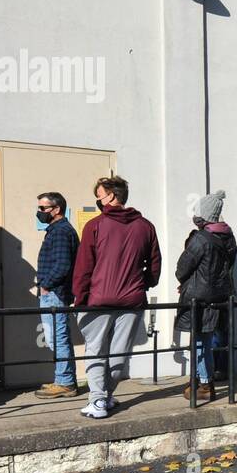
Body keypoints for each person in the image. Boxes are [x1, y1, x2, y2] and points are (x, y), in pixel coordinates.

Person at [72, 175, 161, 420]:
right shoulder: (146, 226)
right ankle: (106, 396)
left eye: (99, 195)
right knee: (120, 353)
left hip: (98, 300)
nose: (98, 200)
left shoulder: (94, 225)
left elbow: (84, 267)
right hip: (132, 300)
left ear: (111, 196)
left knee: (95, 351)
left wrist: (80, 297)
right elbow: (155, 265)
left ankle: (98, 399)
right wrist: (143, 284)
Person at [173, 191, 236, 403]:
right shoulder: (229, 237)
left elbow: (182, 268)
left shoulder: (200, 239)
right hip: (219, 296)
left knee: (199, 340)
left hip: (199, 298)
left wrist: (186, 282)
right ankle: (202, 379)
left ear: (205, 214)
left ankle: (204, 383)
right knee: (206, 340)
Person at [34, 191, 80, 399]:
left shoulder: (61, 231)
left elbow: (63, 265)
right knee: (58, 337)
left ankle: (65, 382)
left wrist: (46, 284)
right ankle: (64, 379)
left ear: (56, 209)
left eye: (43, 208)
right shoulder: (57, 230)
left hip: (54, 293)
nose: (39, 212)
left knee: (58, 338)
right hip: (53, 292)